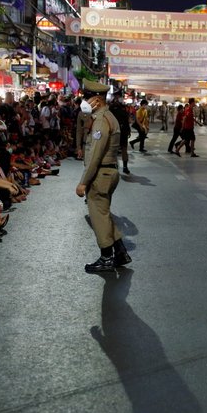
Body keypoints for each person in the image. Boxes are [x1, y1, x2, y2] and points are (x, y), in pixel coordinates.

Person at [75, 80, 129, 274]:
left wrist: (83, 182)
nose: (84, 101)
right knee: (103, 214)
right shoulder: (107, 116)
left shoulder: (100, 120)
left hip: (101, 174)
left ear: (97, 99)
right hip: (109, 171)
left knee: (98, 217)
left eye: (86, 98)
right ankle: (120, 252)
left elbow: (95, 155)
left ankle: (106, 257)